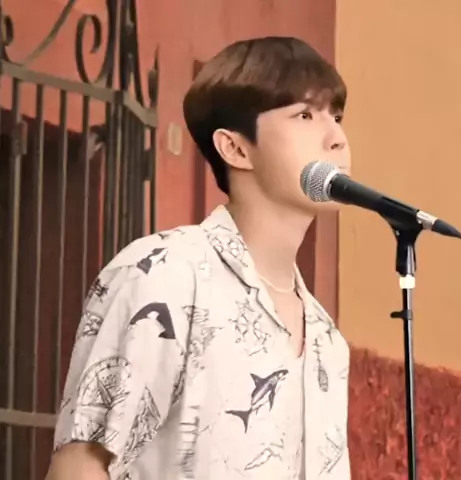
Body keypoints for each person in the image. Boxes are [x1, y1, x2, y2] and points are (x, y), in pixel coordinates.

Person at [45, 36, 352, 479]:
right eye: (305, 115)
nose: (337, 138)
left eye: (336, 117)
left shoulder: (327, 338)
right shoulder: (163, 274)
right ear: (235, 148)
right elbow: (80, 466)